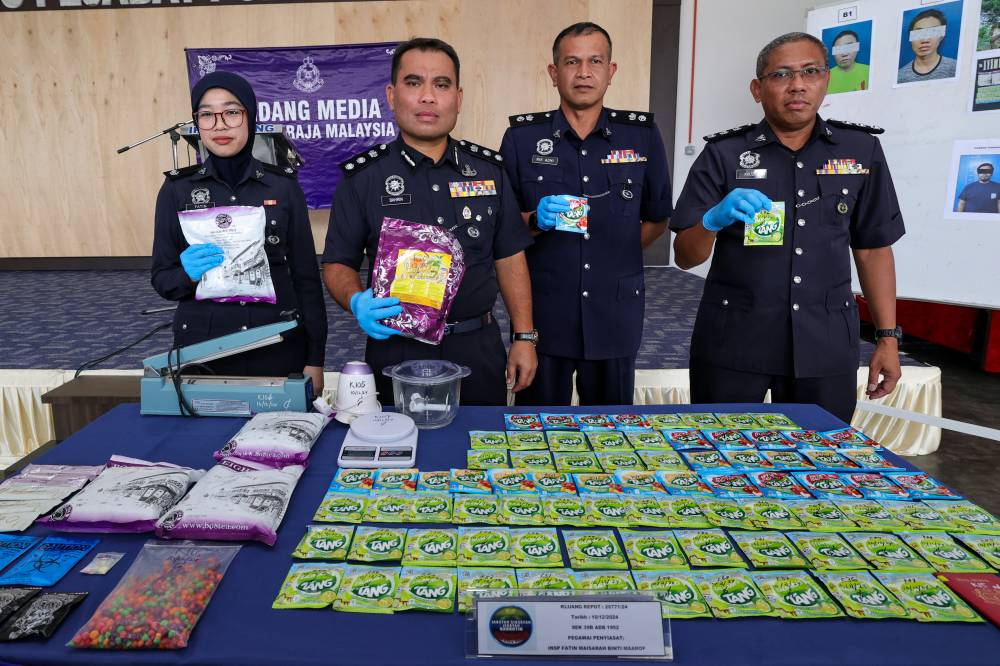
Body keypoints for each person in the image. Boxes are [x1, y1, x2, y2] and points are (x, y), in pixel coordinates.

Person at [671, 32, 905, 424]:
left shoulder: (860, 150)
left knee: (821, 461)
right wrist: (713, 219)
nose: (797, 85)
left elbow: (873, 248)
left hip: (825, 344)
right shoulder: (724, 154)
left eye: (810, 71)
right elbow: (685, 255)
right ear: (757, 89)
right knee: (722, 457)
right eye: (781, 74)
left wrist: (888, 338)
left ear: (826, 79)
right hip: (734, 342)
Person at [321, 38, 536, 406]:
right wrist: (356, 300)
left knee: (481, 453)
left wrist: (524, 337)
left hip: (477, 347)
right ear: (391, 95)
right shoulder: (364, 178)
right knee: (398, 457)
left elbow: (509, 257)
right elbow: (337, 262)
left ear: (458, 97)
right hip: (396, 351)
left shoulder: (489, 171)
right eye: (413, 82)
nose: (427, 97)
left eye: (441, 84)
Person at [499, 22, 672, 406]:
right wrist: (534, 221)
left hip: (615, 311)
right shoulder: (521, 138)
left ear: (611, 71)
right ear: (553, 72)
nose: (583, 72)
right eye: (571, 62)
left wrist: (619, 251)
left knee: (612, 435)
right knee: (539, 433)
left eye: (595, 61)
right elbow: (504, 230)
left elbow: (658, 216)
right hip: (545, 314)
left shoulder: (641, 135)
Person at [151, 71, 327, 393]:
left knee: (277, 438)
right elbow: (162, 279)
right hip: (203, 348)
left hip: (276, 340)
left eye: (231, 112)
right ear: (197, 123)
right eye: (206, 115)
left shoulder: (283, 187)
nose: (219, 124)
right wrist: (186, 275)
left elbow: (306, 278)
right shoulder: (177, 190)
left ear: (250, 117)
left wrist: (315, 357)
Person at [897, 8, 957, 84]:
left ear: (941, 37)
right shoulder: (900, 76)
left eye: (933, 32)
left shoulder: (955, 68)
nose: (925, 39)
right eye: (918, 33)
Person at [827, 29, 869, 94]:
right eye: (838, 49)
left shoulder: (869, 71)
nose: (844, 54)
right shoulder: (825, 77)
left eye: (850, 47)